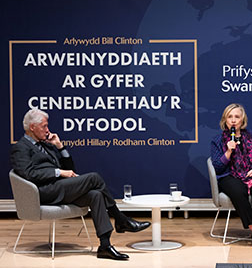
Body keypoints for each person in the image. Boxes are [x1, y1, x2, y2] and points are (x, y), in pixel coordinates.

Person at [10, 108, 151, 260]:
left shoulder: (46, 145)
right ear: (32, 127)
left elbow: (70, 169)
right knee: (94, 178)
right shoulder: (21, 148)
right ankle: (120, 219)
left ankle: (105, 246)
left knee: (95, 195)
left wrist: (59, 146)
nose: (47, 130)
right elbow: (29, 174)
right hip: (44, 192)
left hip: (60, 188)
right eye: (44, 126)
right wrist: (59, 173)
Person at [210, 103, 252, 250]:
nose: (233, 120)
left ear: (242, 120)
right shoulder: (217, 140)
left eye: (237, 117)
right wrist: (228, 152)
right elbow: (217, 167)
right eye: (230, 117)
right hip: (229, 176)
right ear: (225, 120)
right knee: (237, 190)